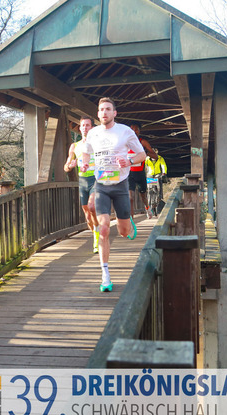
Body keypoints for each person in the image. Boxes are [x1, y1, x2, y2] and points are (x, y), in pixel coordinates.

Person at [82, 98, 146, 292]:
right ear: (98, 113)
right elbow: (86, 152)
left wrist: (129, 161)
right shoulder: (93, 133)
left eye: (108, 109)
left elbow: (142, 155)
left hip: (120, 186)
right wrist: (86, 163)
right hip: (101, 186)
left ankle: (127, 224)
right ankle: (105, 275)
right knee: (103, 229)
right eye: (101, 109)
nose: (104, 112)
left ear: (114, 113)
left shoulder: (125, 131)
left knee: (123, 232)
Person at [64, 117, 100, 253]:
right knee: (87, 215)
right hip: (83, 181)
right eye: (83, 125)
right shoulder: (75, 146)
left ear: (92, 128)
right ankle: (95, 231)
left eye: (87, 125)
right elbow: (66, 167)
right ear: (79, 128)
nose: (85, 128)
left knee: (92, 206)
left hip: (95, 179)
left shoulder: (97, 144)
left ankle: (97, 237)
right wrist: (70, 165)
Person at [128, 123, 158, 219]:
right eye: (132, 129)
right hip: (129, 173)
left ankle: (147, 208)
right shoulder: (125, 142)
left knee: (143, 196)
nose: (134, 131)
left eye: (136, 129)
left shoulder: (143, 142)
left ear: (139, 131)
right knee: (130, 198)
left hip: (140, 173)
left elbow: (155, 156)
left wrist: (145, 153)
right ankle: (131, 221)